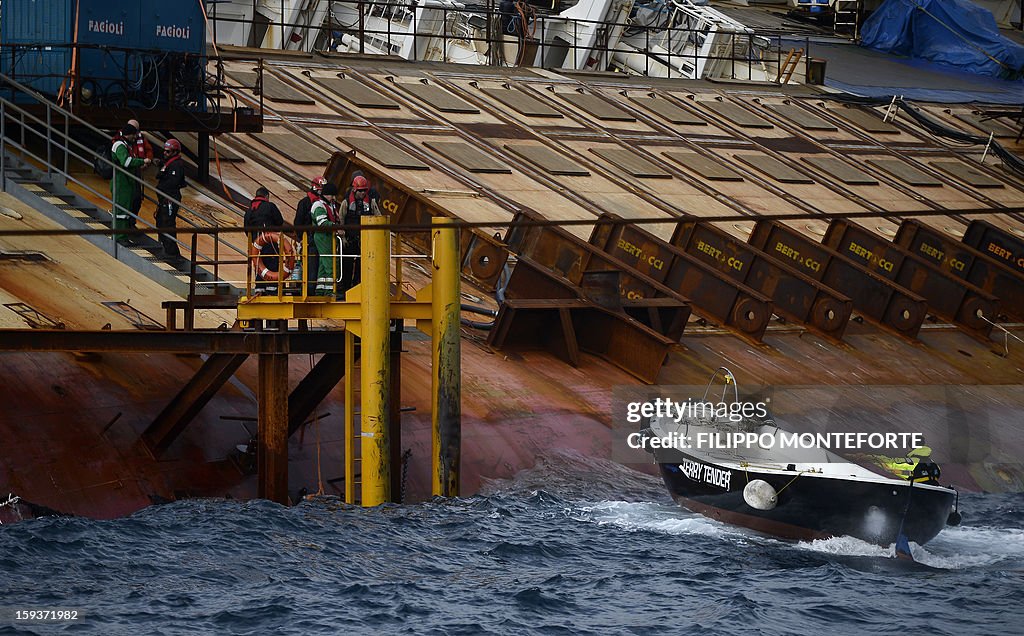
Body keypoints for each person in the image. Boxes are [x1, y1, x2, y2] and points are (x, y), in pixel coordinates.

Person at [340, 174, 381, 292]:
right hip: (349, 240)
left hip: (365, 241)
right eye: (360, 191)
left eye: (364, 190)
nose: (362, 193)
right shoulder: (346, 203)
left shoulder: (371, 203)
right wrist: (343, 238)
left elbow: (378, 218)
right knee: (347, 265)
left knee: (362, 265)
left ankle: (358, 286)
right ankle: (345, 288)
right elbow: (341, 220)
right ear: (354, 190)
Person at [110, 123, 150, 242]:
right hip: (121, 183)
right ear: (130, 134)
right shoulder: (120, 146)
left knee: (125, 210)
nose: (135, 138)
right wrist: (142, 161)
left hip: (126, 183)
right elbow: (126, 162)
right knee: (120, 212)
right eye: (134, 135)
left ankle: (122, 236)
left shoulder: (126, 145)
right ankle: (119, 237)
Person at [244, 187, 287, 287]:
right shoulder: (270, 206)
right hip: (269, 241)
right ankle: (272, 287)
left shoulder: (249, 210)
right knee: (272, 262)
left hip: (256, 243)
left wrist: (255, 240)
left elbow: (246, 228)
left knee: (259, 264)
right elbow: (279, 221)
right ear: (266, 196)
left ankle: (259, 287)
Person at [295, 176, 327, 295]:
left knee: (323, 267)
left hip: (322, 240)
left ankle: (320, 290)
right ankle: (311, 291)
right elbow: (298, 223)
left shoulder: (324, 203)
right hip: (310, 241)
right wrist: (303, 239)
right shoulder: (305, 203)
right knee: (312, 267)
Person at [155, 138, 186, 263]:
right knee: (161, 221)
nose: (165, 153)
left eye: (168, 152)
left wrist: (163, 175)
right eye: (164, 151)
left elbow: (173, 182)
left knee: (167, 223)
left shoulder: (176, 165)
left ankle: (172, 252)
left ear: (174, 152)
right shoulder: (170, 163)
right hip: (165, 198)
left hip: (170, 198)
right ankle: (168, 249)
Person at [311, 182, 341, 296]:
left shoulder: (328, 205)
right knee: (331, 263)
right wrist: (336, 227)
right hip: (323, 236)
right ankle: (330, 291)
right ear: (326, 194)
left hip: (327, 236)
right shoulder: (319, 206)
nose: (333, 198)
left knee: (323, 265)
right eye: (332, 195)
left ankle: (320, 290)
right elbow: (322, 222)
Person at [125, 118, 154, 230]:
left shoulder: (141, 139)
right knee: (128, 198)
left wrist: (147, 161)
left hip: (137, 172)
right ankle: (125, 223)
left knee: (137, 198)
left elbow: (149, 151)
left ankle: (131, 221)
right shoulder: (120, 141)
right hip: (126, 174)